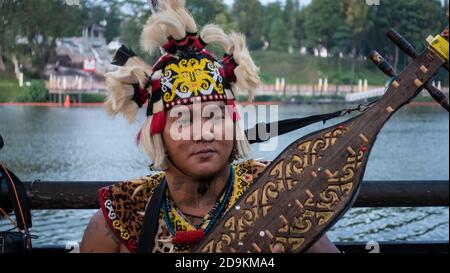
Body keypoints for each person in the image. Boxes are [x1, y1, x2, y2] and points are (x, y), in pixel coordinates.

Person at [80, 0, 339, 253]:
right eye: (184, 120)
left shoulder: (274, 194)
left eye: (215, 117)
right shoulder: (124, 213)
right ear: (158, 132)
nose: (205, 132)